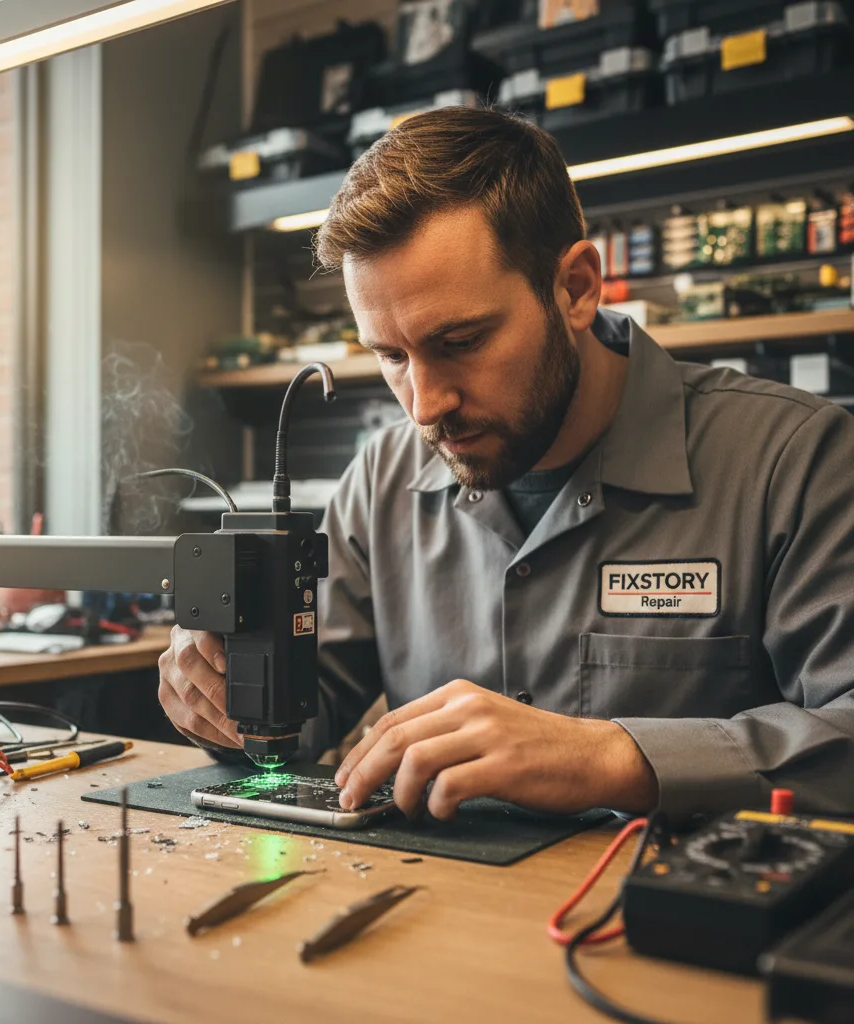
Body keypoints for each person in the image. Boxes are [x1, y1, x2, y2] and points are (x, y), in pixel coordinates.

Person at [159, 107, 854, 823]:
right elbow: (299, 721)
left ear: (577, 288)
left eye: (460, 340)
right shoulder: (381, 483)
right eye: (391, 356)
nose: (425, 405)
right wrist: (225, 691)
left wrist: (612, 757)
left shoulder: (791, 463)